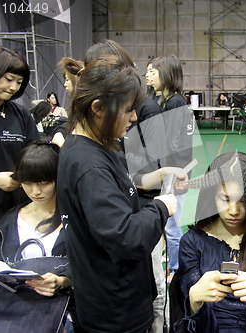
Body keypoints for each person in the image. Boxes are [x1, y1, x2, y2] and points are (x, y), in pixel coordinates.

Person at [56, 56, 177, 333]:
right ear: (98, 108)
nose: (134, 117)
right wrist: (160, 207)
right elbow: (126, 237)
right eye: (127, 110)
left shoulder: (93, 149)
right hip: (115, 312)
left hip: (113, 300)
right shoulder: (89, 164)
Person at [173, 152, 246, 333]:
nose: (233, 211)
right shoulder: (192, 243)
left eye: (243, 201)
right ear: (211, 197)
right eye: (225, 199)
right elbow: (193, 323)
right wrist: (194, 300)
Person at [0, 141, 72, 295]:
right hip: (16, 307)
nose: (36, 191)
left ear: (58, 178)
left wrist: (64, 280)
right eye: (28, 183)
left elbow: (91, 264)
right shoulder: (9, 222)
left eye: (44, 183)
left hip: (64, 307)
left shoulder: (74, 218)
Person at [150, 54, 193, 281]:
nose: (150, 77)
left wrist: (181, 174)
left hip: (175, 172)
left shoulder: (175, 103)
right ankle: (172, 257)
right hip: (173, 170)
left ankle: (175, 268)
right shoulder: (168, 102)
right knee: (169, 223)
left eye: (154, 72)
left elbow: (179, 145)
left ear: (166, 74)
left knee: (172, 225)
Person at [0, 47, 40, 222]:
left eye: (19, 82)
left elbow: (35, 152)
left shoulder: (21, 114)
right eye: (9, 79)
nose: (13, 87)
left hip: (17, 206)